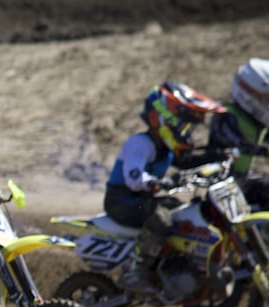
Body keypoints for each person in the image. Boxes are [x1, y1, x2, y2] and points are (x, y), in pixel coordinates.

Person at [104, 81, 225, 294]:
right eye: (183, 127)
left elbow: (188, 162)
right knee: (161, 219)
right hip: (122, 201)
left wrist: (218, 157)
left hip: (142, 199)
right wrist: (155, 182)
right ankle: (135, 270)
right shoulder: (141, 143)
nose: (186, 133)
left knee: (181, 211)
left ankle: (167, 265)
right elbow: (134, 177)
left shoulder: (167, 149)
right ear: (161, 120)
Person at [205, 58, 269, 211]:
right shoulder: (226, 116)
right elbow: (238, 144)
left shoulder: (256, 122)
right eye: (266, 98)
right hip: (224, 184)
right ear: (249, 92)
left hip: (244, 178)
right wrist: (263, 151)